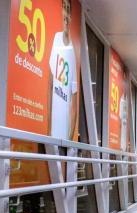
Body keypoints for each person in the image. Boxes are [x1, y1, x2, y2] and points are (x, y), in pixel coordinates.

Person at [48, 0, 78, 140]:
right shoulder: (56, 39)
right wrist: (48, 129)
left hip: (64, 134)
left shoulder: (72, 52)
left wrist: (70, 138)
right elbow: (49, 85)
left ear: (71, 15)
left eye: (68, 9)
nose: (66, 13)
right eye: (63, 8)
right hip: (52, 130)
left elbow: (74, 103)